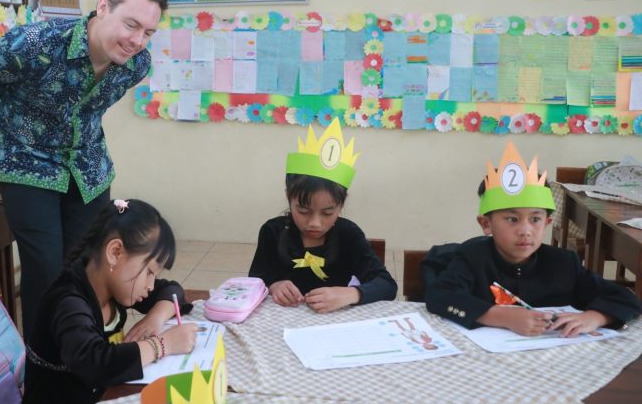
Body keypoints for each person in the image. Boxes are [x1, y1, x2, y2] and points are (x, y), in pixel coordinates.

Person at [0, 0, 167, 336]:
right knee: (47, 269)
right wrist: (27, 120)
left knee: (90, 264)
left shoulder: (136, 65)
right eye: (130, 24)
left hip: (88, 167)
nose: (136, 40)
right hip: (28, 162)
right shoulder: (35, 44)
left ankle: (85, 352)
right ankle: (43, 367)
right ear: (102, 6)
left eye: (147, 33)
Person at [426, 141, 641, 337]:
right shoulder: (472, 259)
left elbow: (626, 297)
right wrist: (502, 316)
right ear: (486, 224)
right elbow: (439, 295)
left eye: (535, 219)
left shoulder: (564, 264)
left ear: (547, 223)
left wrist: (594, 317)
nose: (525, 230)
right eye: (512, 219)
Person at [22, 199, 198, 404]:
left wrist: (156, 318)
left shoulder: (110, 283)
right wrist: (162, 345)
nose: (151, 285)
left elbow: (172, 291)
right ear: (115, 252)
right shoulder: (68, 302)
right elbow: (94, 362)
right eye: (149, 272)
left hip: (99, 401)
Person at [248, 119, 397, 313]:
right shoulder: (273, 232)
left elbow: (387, 285)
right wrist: (273, 285)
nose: (315, 223)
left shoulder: (348, 234)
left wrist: (350, 294)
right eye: (303, 211)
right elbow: (253, 282)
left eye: (328, 212)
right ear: (288, 197)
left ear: (341, 205)